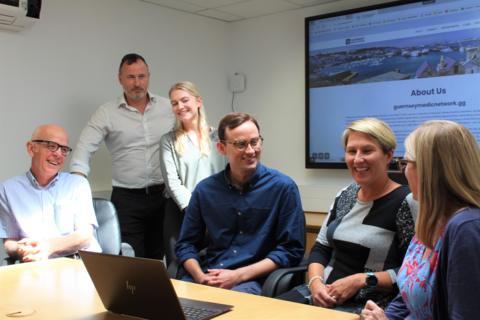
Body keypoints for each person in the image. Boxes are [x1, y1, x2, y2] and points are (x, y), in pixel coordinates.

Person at [278, 118, 416, 314]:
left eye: (367, 151)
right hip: (318, 294)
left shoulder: (407, 202)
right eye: (352, 151)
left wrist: (361, 280)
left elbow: (414, 271)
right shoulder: (345, 195)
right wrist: (315, 282)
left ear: (388, 155)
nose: (358, 159)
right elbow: (320, 247)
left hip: (366, 305)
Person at [361, 120, 480, 320]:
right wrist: (386, 317)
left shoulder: (466, 229)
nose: (403, 171)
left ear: (429, 170)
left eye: (406, 163)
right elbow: (407, 296)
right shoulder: (431, 218)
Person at [175, 112, 305, 295]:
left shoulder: (283, 188)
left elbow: (291, 250)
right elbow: (186, 245)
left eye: (255, 141)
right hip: (206, 275)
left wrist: (237, 276)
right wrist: (199, 276)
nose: (251, 150)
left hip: (251, 281)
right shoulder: (205, 190)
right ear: (221, 148)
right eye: (241, 144)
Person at [69, 53, 174, 259]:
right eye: (131, 77)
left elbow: (194, 129)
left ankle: (159, 293)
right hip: (127, 199)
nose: (137, 83)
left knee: (163, 254)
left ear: (149, 77)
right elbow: (85, 147)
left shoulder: (168, 107)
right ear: (120, 79)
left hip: (164, 196)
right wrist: (77, 181)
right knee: (132, 259)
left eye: (141, 76)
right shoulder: (107, 112)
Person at [0, 124, 101, 262]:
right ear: (31, 148)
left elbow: (85, 236)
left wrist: (48, 247)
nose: (59, 154)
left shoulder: (78, 184)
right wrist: (22, 250)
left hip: (79, 262)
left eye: (64, 149)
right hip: (34, 265)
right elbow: (9, 241)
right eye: (51, 146)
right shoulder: (8, 190)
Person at [159, 81, 225, 266]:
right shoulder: (168, 141)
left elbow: (227, 173)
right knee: (177, 267)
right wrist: (195, 210)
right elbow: (172, 182)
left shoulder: (218, 137)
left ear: (198, 101)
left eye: (184, 100)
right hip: (181, 213)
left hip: (216, 212)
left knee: (213, 266)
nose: (180, 106)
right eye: (174, 103)